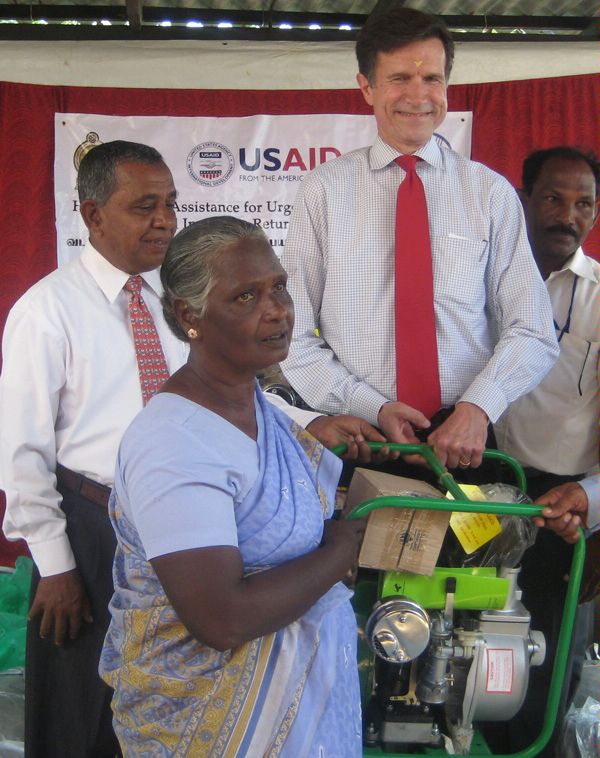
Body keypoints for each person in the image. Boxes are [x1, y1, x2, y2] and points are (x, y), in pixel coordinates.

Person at [0, 141, 384, 758]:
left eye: (171, 204)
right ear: (93, 215)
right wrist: (55, 563)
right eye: (143, 206)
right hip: (95, 525)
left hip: (206, 518)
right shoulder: (47, 311)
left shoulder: (175, 297)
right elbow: (19, 450)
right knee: (91, 708)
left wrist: (308, 422)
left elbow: (230, 390)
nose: (163, 220)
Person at [99, 216, 365, 756]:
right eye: (246, 296)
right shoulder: (172, 444)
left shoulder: (263, 411)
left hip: (303, 718)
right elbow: (222, 618)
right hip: (207, 729)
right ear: (189, 316)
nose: (278, 310)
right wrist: (345, 547)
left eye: (279, 287)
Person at [280, 6, 558, 475]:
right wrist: (370, 405)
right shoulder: (322, 191)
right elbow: (293, 337)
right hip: (364, 439)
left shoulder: (489, 193)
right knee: (355, 551)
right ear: (366, 87)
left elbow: (533, 330)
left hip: (466, 439)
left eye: (431, 78)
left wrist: (479, 408)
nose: (418, 95)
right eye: (398, 79)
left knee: (479, 553)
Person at [490, 147, 600, 756]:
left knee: (544, 664)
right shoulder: (483, 284)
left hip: (562, 507)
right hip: (478, 488)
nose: (567, 215)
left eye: (583, 203)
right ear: (525, 199)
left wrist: (593, 499)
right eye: (553, 199)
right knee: (465, 642)